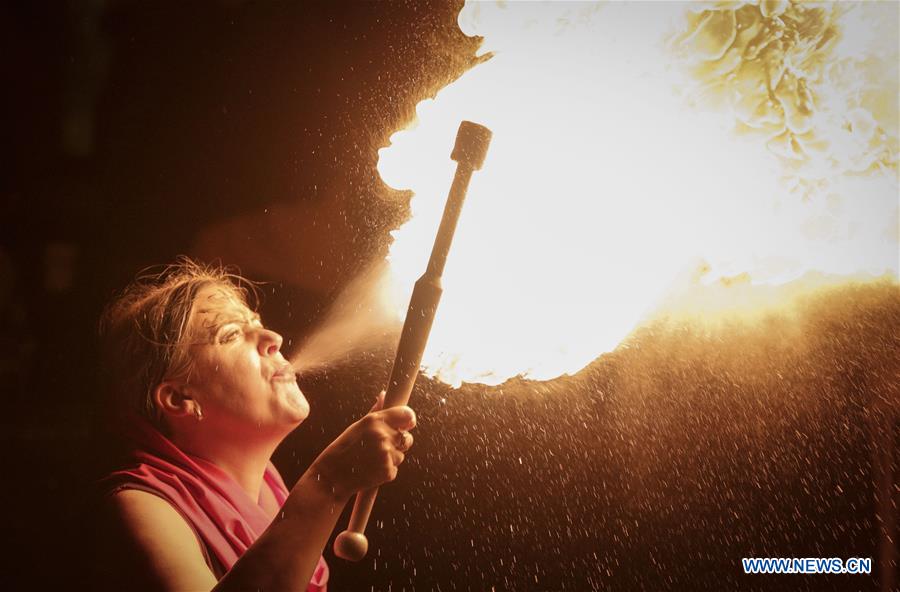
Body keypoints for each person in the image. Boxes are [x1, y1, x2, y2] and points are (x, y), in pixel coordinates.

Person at [94, 258, 416, 591]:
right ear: (179, 398)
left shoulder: (270, 492)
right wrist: (329, 485)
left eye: (256, 323)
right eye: (230, 334)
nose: (273, 337)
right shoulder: (139, 504)